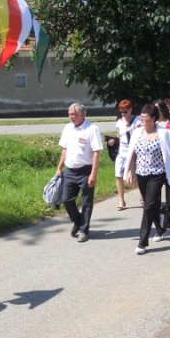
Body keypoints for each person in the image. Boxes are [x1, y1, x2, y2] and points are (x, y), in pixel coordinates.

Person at [125, 104, 170, 255]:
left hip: (158, 174)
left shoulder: (163, 133)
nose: (142, 119)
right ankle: (160, 228)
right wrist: (130, 170)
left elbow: (169, 155)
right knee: (152, 205)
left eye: (146, 117)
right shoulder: (136, 132)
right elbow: (132, 153)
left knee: (148, 205)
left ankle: (142, 242)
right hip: (141, 173)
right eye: (141, 117)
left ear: (154, 118)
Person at [56, 103, 103, 243]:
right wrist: (59, 168)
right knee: (66, 199)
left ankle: (84, 230)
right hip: (70, 170)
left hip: (85, 170)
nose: (71, 117)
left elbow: (96, 152)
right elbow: (64, 149)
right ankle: (78, 220)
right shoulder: (67, 128)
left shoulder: (92, 129)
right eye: (70, 114)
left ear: (83, 115)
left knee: (86, 202)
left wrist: (93, 174)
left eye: (74, 114)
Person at [109, 100, 139, 211]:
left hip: (134, 152)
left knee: (135, 178)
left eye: (125, 111)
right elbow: (118, 135)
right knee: (118, 175)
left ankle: (142, 193)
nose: (123, 114)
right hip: (121, 152)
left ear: (130, 109)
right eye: (121, 111)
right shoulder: (119, 122)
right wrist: (113, 140)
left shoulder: (137, 121)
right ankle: (121, 200)